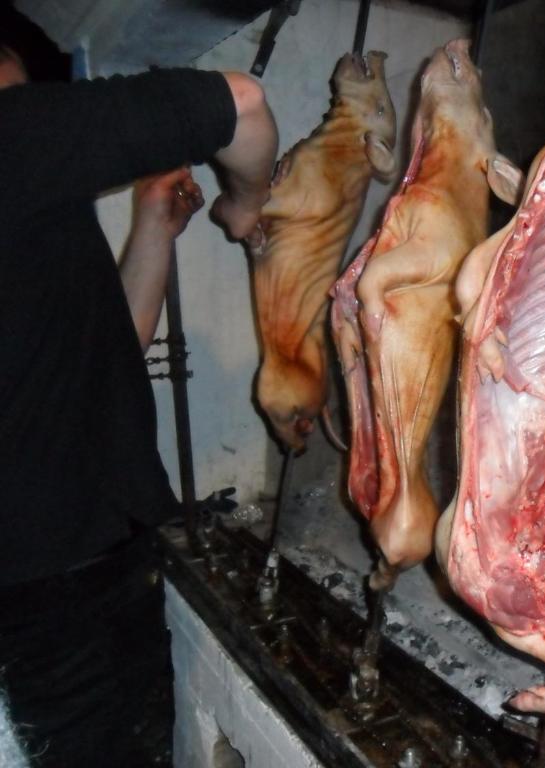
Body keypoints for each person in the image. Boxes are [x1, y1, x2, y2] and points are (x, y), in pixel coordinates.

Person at [0, 8, 279, 766]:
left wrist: (153, 227)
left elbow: (99, 358)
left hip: (69, 570)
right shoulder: (13, 138)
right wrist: (247, 203)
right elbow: (241, 103)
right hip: (49, 595)